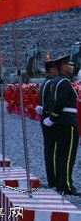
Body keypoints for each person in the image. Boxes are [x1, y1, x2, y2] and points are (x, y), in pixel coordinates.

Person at [42, 55, 79, 196]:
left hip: (62, 121)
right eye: (69, 64)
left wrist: (52, 118)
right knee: (68, 155)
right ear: (62, 67)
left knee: (61, 154)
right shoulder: (63, 82)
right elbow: (59, 103)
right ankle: (66, 185)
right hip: (67, 121)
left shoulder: (57, 81)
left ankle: (60, 183)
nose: (72, 67)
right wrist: (53, 117)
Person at [36, 58, 60, 188]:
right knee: (53, 150)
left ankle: (52, 178)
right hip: (49, 119)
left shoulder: (45, 82)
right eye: (56, 68)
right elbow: (52, 103)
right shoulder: (51, 83)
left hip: (44, 117)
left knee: (49, 149)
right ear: (52, 70)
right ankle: (54, 179)